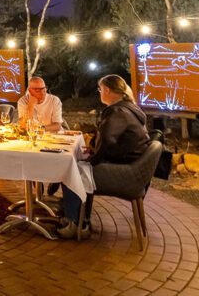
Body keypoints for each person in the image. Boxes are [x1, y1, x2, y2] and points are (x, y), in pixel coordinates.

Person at [58, 74, 150, 240]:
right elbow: (110, 144)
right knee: (79, 164)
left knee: (71, 169)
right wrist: (92, 153)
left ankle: (76, 223)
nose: (100, 92)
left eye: (100, 89)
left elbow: (107, 144)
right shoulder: (131, 108)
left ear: (106, 90)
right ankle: (79, 215)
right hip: (131, 166)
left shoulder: (117, 112)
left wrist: (90, 159)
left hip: (122, 172)